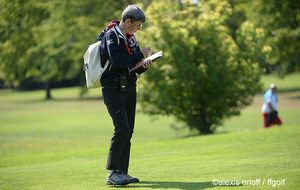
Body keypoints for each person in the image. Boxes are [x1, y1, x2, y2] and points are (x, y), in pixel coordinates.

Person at [97, 5, 153, 185]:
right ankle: (113, 174)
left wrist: (144, 64)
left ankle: (122, 172)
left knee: (128, 130)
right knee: (122, 128)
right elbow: (117, 61)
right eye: (137, 25)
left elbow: (132, 67)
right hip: (113, 87)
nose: (139, 29)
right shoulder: (111, 35)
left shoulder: (130, 38)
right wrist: (139, 54)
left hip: (128, 86)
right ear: (127, 21)